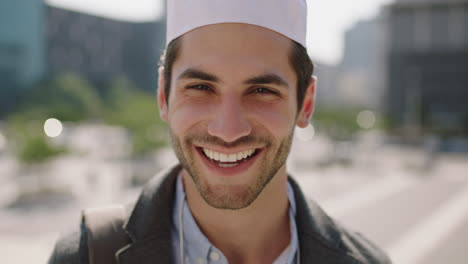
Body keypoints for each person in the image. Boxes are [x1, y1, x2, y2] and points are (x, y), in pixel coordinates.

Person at [48, 0, 392, 263]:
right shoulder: (87, 256)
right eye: (200, 87)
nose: (228, 130)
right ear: (163, 96)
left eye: (262, 91)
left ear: (306, 103)